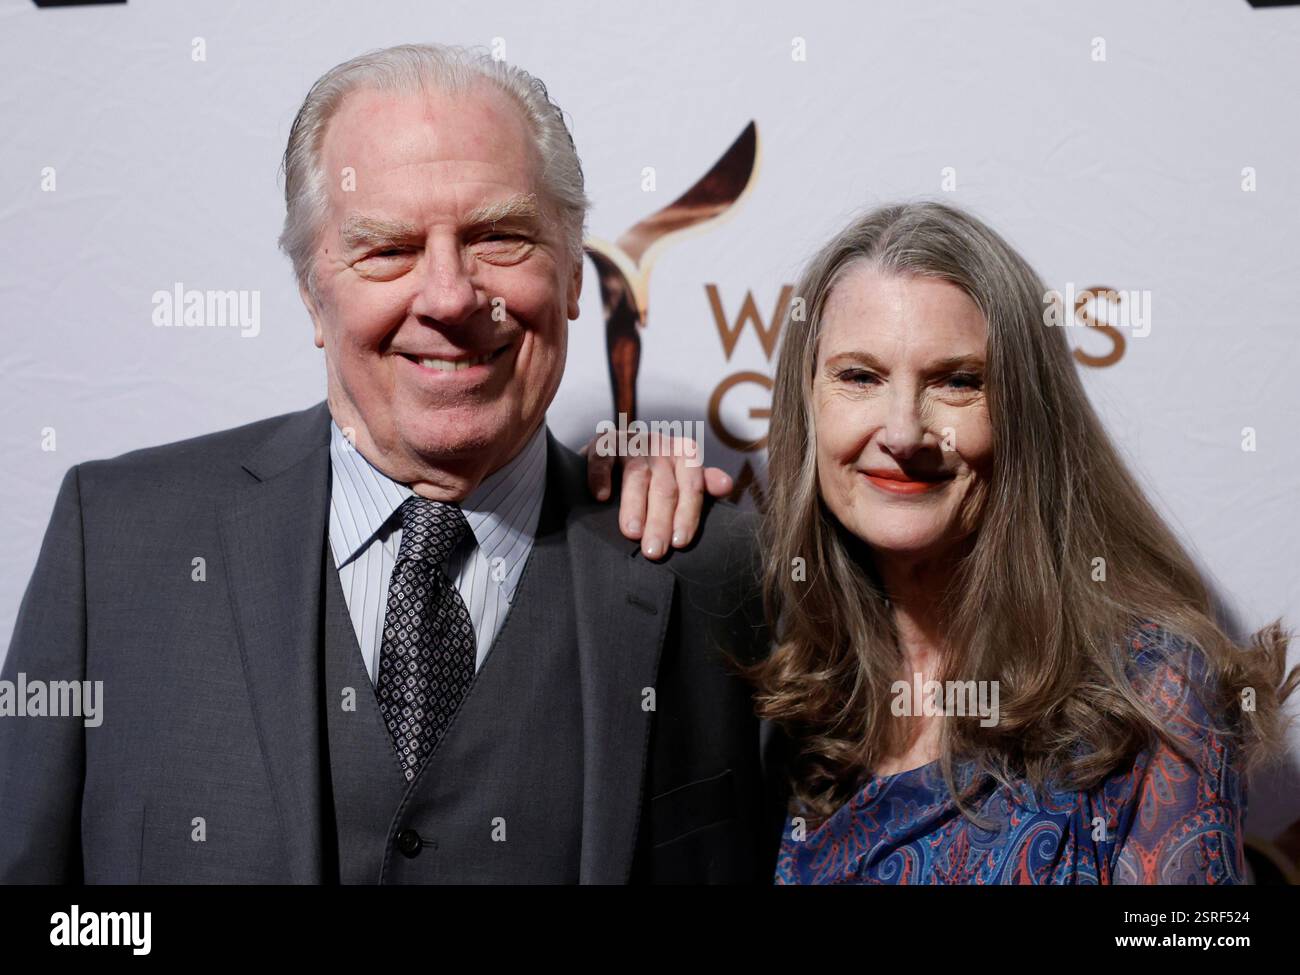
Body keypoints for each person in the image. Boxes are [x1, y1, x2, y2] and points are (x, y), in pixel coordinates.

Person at [0, 43, 784, 884]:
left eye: (500, 237)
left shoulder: (715, 571)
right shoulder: (115, 541)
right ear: (311, 290)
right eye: (386, 250)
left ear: (571, 277)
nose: (448, 296)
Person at [744, 200, 1299, 883]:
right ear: (808, 403)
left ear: (1025, 415)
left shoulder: (1151, 695)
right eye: (860, 376)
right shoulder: (787, 684)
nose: (905, 432)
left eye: (957, 381)